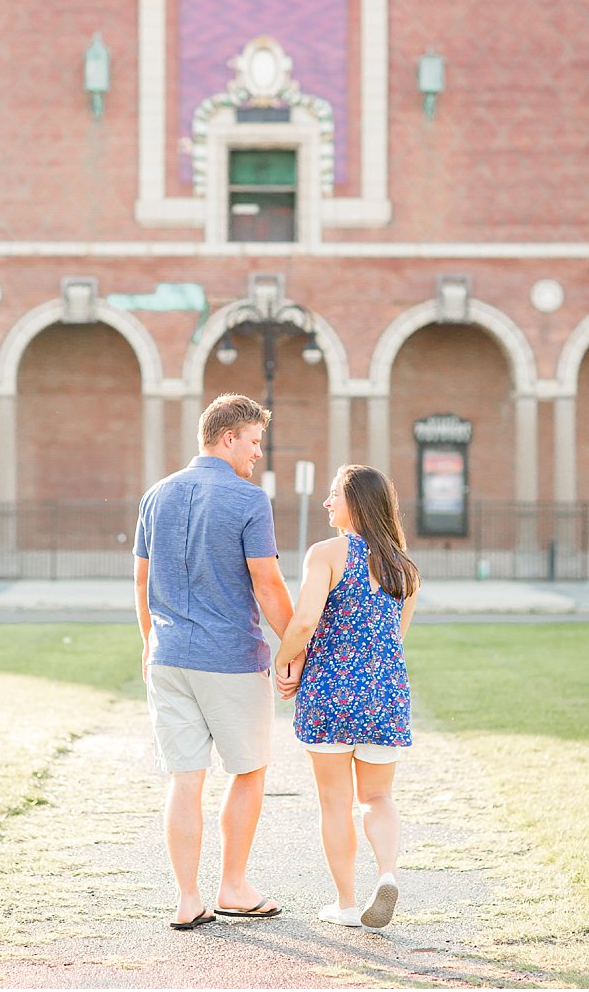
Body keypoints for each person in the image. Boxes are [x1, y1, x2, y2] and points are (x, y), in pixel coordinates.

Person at [133, 393, 297, 930]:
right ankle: (233, 887)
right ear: (228, 437)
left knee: (185, 778)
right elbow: (268, 584)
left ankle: (187, 900)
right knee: (248, 771)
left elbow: (142, 579)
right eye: (253, 442)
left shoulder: (156, 495)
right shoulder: (249, 500)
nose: (257, 454)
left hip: (168, 657)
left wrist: (148, 643)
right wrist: (296, 647)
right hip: (228, 659)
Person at [273, 464, 420, 929]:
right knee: (377, 797)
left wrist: (284, 660)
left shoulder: (327, 553)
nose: (326, 502)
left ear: (354, 502)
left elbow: (303, 623)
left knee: (335, 802)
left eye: (334, 493)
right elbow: (396, 638)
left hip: (330, 693)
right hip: (385, 694)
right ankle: (388, 873)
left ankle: (345, 904)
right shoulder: (405, 567)